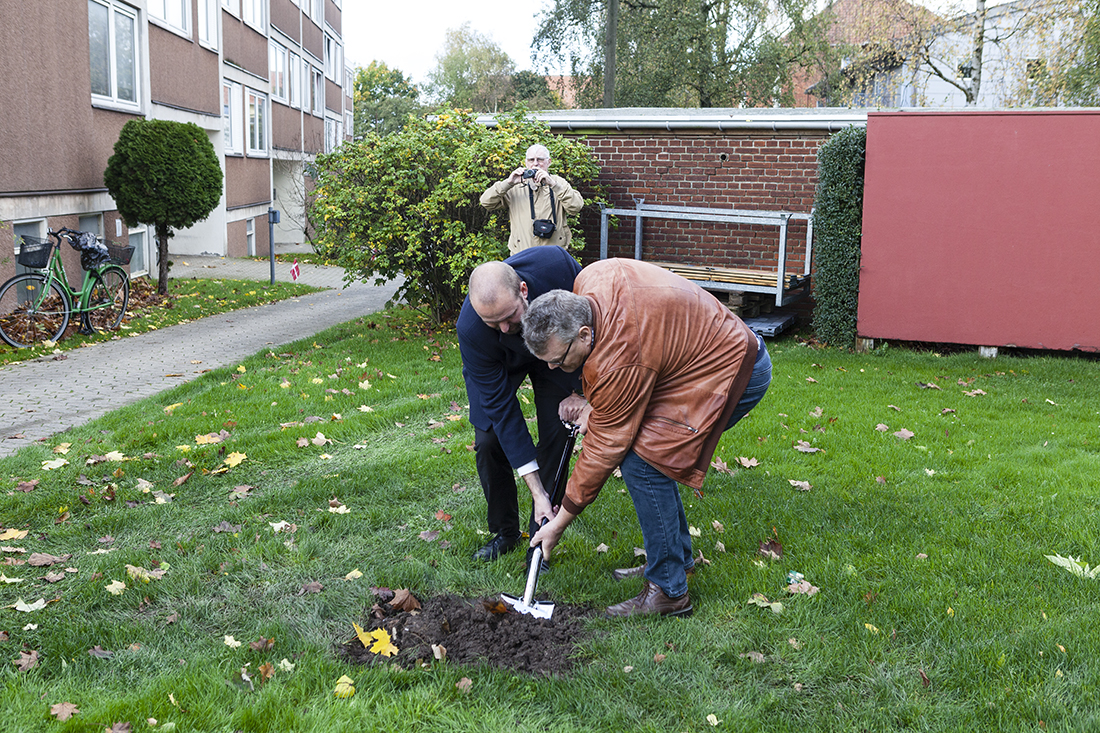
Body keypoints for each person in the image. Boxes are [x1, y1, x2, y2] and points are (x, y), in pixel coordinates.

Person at [520, 259, 772, 618]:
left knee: (643, 463)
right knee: (645, 455)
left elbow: (605, 446)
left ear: (584, 334)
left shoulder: (622, 357)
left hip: (731, 373)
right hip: (687, 361)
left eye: (558, 360)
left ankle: (669, 590)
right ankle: (673, 561)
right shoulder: (590, 280)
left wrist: (560, 522)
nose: (552, 369)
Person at [457, 245, 588, 564]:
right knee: (489, 440)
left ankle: (540, 539)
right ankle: (505, 532)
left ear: (524, 291)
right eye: (493, 322)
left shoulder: (556, 268)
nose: (503, 327)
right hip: (499, 360)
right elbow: (502, 411)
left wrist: (580, 390)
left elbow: (591, 327)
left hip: (555, 352)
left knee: (557, 432)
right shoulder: (473, 330)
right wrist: (535, 490)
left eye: (508, 317)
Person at [479, 144, 584, 255]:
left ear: (549, 162)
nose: (535, 164)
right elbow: (486, 202)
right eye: (531, 160)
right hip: (521, 253)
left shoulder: (559, 183)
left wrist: (553, 185)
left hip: (553, 254)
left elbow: (576, 207)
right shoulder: (516, 185)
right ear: (525, 163)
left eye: (540, 159)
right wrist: (508, 183)